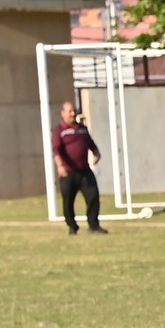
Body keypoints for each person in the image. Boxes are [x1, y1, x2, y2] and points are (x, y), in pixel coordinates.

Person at [53, 100, 103, 233]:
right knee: (68, 201)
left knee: (93, 196)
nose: (72, 113)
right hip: (68, 172)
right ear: (63, 113)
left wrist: (97, 153)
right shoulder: (59, 131)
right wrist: (60, 165)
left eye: (74, 111)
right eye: (69, 111)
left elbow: (90, 143)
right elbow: (56, 150)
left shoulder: (82, 129)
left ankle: (94, 225)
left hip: (84, 171)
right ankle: (72, 226)